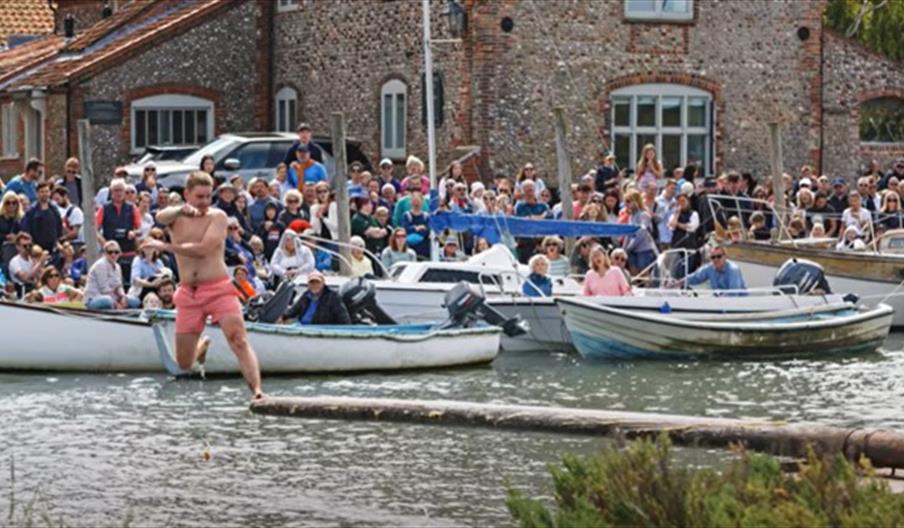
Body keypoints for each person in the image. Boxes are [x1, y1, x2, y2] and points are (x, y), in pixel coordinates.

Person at [145, 171, 263, 399]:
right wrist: (179, 209)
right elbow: (160, 217)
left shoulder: (217, 216)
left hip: (219, 289)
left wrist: (166, 247)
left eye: (208, 196)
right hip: (188, 293)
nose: (204, 202)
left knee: (238, 339)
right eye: (199, 196)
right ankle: (202, 345)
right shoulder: (176, 216)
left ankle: (257, 391)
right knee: (184, 363)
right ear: (187, 194)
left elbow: (204, 249)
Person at [96, 178, 142, 287]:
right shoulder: (104, 208)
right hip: (111, 253)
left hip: (128, 251)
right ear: (111, 192)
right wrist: (105, 244)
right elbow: (94, 229)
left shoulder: (132, 208)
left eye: (121, 190)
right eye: (116, 190)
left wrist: (133, 233)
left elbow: (139, 229)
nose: (119, 193)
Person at [84, 241, 141, 310]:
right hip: (94, 298)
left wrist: (123, 297)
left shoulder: (117, 267)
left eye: (116, 252)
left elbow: (119, 286)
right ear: (105, 253)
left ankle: (117, 307)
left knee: (135, 300)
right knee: (107, 301)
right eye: (110, 252)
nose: (113, 254)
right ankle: (115, 307)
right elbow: (104, 289)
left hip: (113, 298)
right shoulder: (100, 265)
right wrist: (116, 303)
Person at [283, 271, 351, 325]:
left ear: (323, 283)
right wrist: (283, 316)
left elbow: (344, 319)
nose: (314, 285)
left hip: (321, 331)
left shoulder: (333, 297)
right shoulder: (305, 296)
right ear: (308, 284)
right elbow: (293, 311)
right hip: (302, 328)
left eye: (317, 282)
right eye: (312, 282)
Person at [20, 181, 63, 256]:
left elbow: (59, 227)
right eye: (42, 192)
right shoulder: (31, 211)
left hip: (53, 248)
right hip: (37, 249)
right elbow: (26, 230)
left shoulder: (54, 209)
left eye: (47, 191)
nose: (45, 194)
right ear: (37, 193)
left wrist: (58, 241)